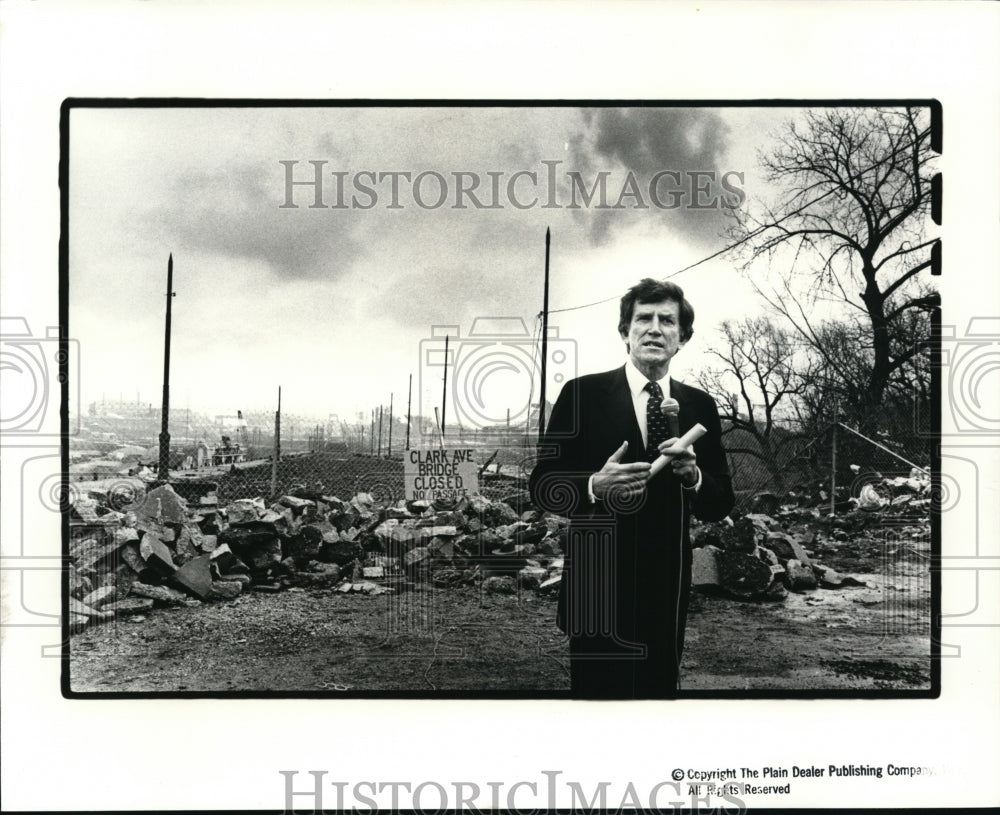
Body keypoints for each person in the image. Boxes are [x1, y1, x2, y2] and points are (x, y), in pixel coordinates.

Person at [529, 278, 734, 698]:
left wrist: (694, 478)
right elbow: (542, 485)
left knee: (657, 708)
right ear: (625, 332)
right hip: (598, 585)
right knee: (596, 708)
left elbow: (721, 502)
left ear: (683, 338)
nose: (654, 328)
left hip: (665, 590)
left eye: (667, 321)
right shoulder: (581, 394)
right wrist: (592, 484)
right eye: (643, 319)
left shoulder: (699, 406)